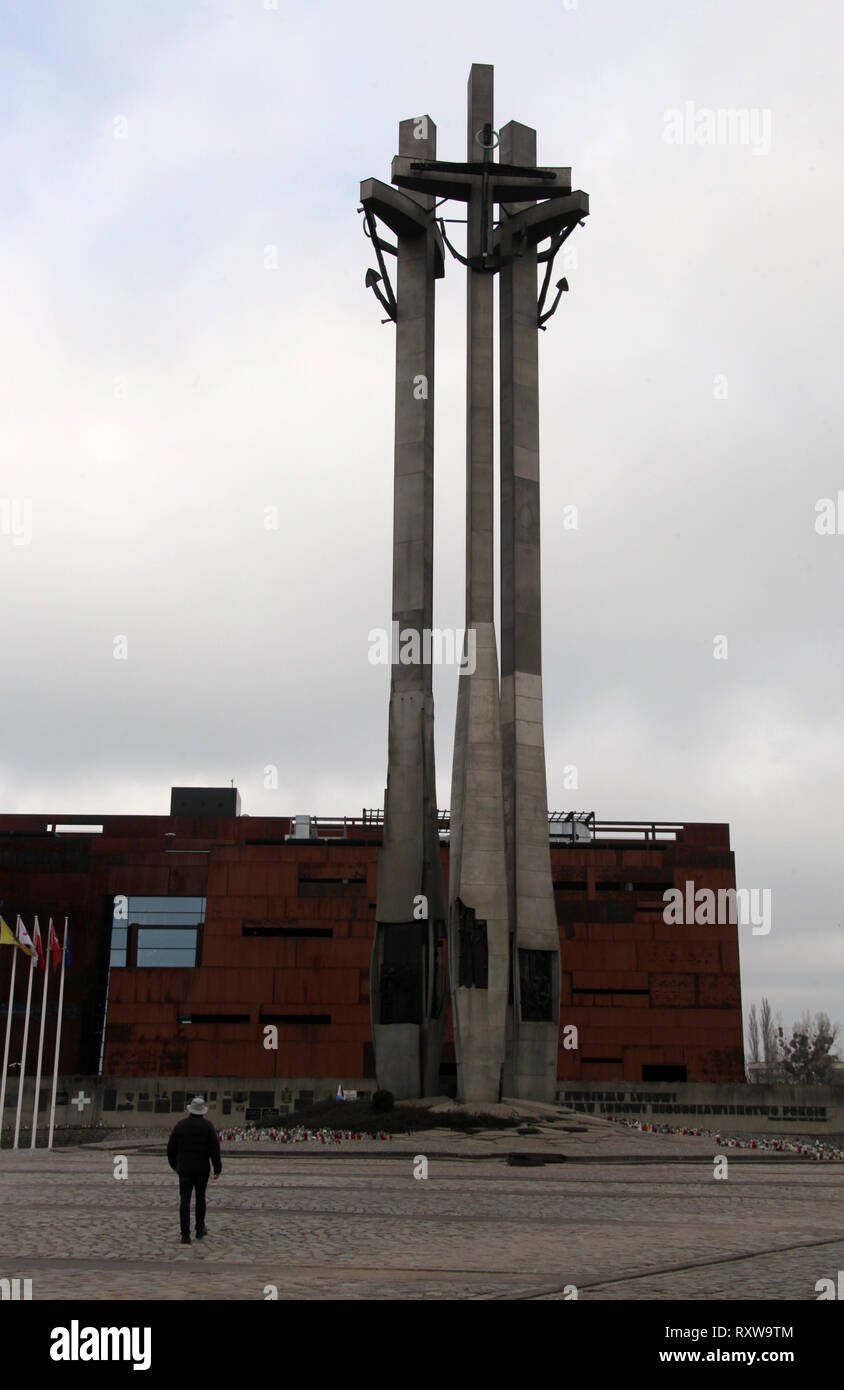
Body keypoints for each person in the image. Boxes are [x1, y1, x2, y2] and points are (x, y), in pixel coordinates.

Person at [167, 1096, 222, 1244]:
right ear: (202, 1111)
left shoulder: (181, 1125)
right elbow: (214, 1149)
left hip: (184, 1169)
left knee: (184, 1201)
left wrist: (174, 1165)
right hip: (202, 1170)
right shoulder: (208, 1126)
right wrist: (217, 1168)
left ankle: (185, 1234)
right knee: (200, 1199)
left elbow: (171, 1147)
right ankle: (199, 1228)